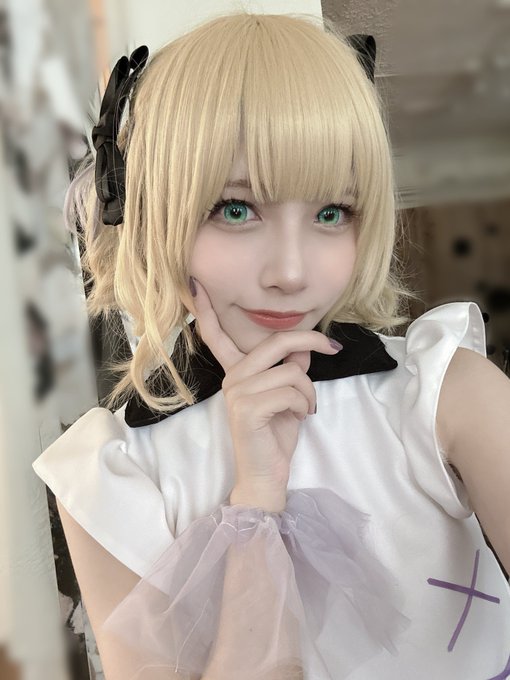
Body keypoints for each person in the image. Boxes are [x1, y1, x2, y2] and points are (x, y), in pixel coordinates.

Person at [32, 11, 510, 680]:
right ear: (151, 214)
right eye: (236, 209)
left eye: (331, 213)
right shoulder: (112, 476)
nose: (290, 271)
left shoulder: (446, 394)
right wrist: (256, 496)